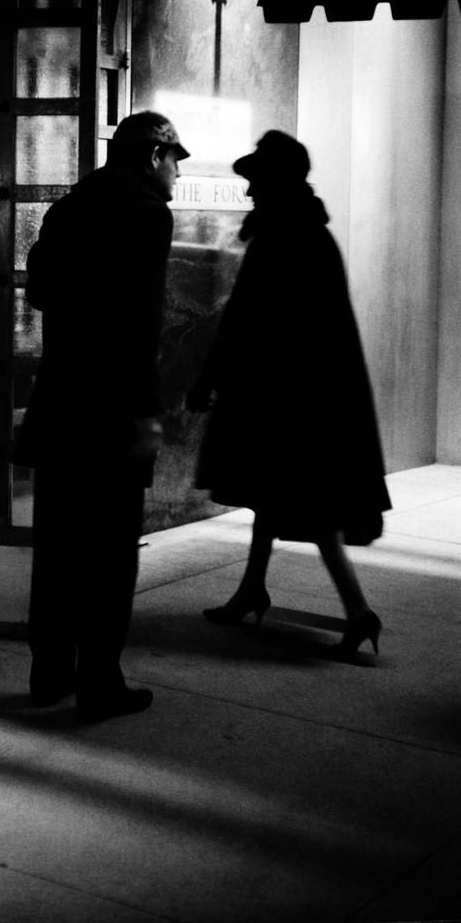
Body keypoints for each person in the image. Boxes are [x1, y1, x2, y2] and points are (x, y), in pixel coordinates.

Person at [186, 130, 390, 658]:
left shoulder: (283, 236)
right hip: (303, 396)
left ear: (274, 182)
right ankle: (252, 590)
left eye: (255, 180)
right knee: (273, 496)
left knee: (305, 507)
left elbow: (245, 319)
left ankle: (358, 611)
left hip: (285, 399)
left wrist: (209, 377)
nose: (249, 190)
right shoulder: (307, 232)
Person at [15, 110, 188, 721]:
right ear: (151, 157)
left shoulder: (68, 210)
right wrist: (147, 410)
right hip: (114, 411)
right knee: (112, 552)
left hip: (62, 404)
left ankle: (49, 672)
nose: (175, 173)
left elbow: (37, 291)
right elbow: (142, 324)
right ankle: (99, 681)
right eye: (173, 160)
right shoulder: (148, 217)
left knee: (59, 545)